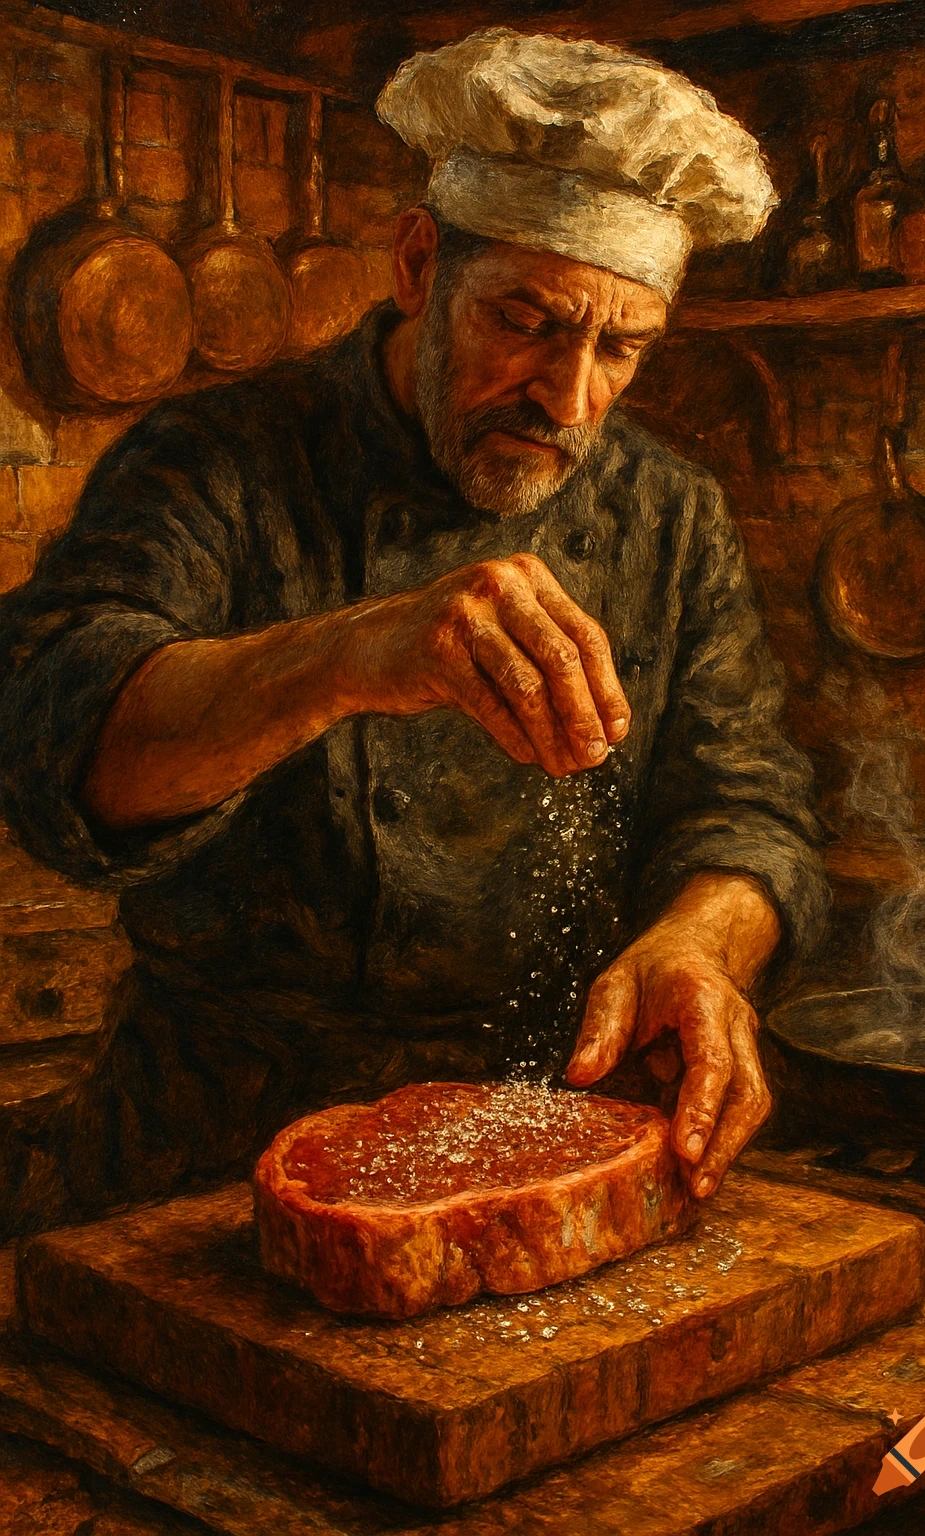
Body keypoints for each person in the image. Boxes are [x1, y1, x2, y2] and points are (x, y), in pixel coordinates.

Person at [0, 29, 828, 1234]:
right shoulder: (213, 460)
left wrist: (702, 943)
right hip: (207, 1150)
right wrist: (350, 654)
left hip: (541, 1124)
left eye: (621, 347)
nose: (570, 394)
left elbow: (745, 803)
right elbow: (56, 742)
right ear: (418, 260)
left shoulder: (670, 512)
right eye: (528, 322)